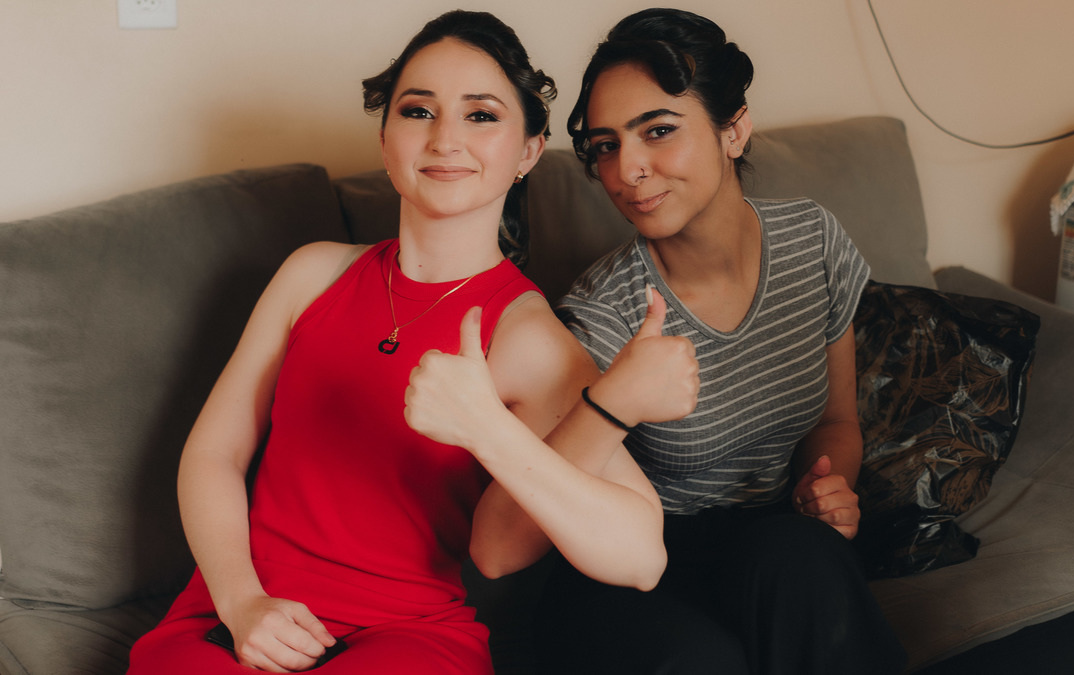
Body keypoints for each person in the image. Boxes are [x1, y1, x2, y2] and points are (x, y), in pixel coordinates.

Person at [128, 10, 695, 674]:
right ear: (385, 138)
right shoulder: (312, 274)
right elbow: (214, 453)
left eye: (481, 115)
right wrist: (241, 600)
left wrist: (486, 427)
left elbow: (640, 558)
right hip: (236, 609)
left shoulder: (527, 337)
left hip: (404, 637)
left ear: (528, 152)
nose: (445, 138)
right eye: (419, 111)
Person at [531, 9, 908, 674]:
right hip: (638, 564)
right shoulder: (603, 312)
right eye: (605, 145)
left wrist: (827, 489)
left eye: (658, 130)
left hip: (770, 543)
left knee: (802, 555)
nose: (627, 169)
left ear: (733, 130)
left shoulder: (813, 242)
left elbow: (835, 421)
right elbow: (549, 495)